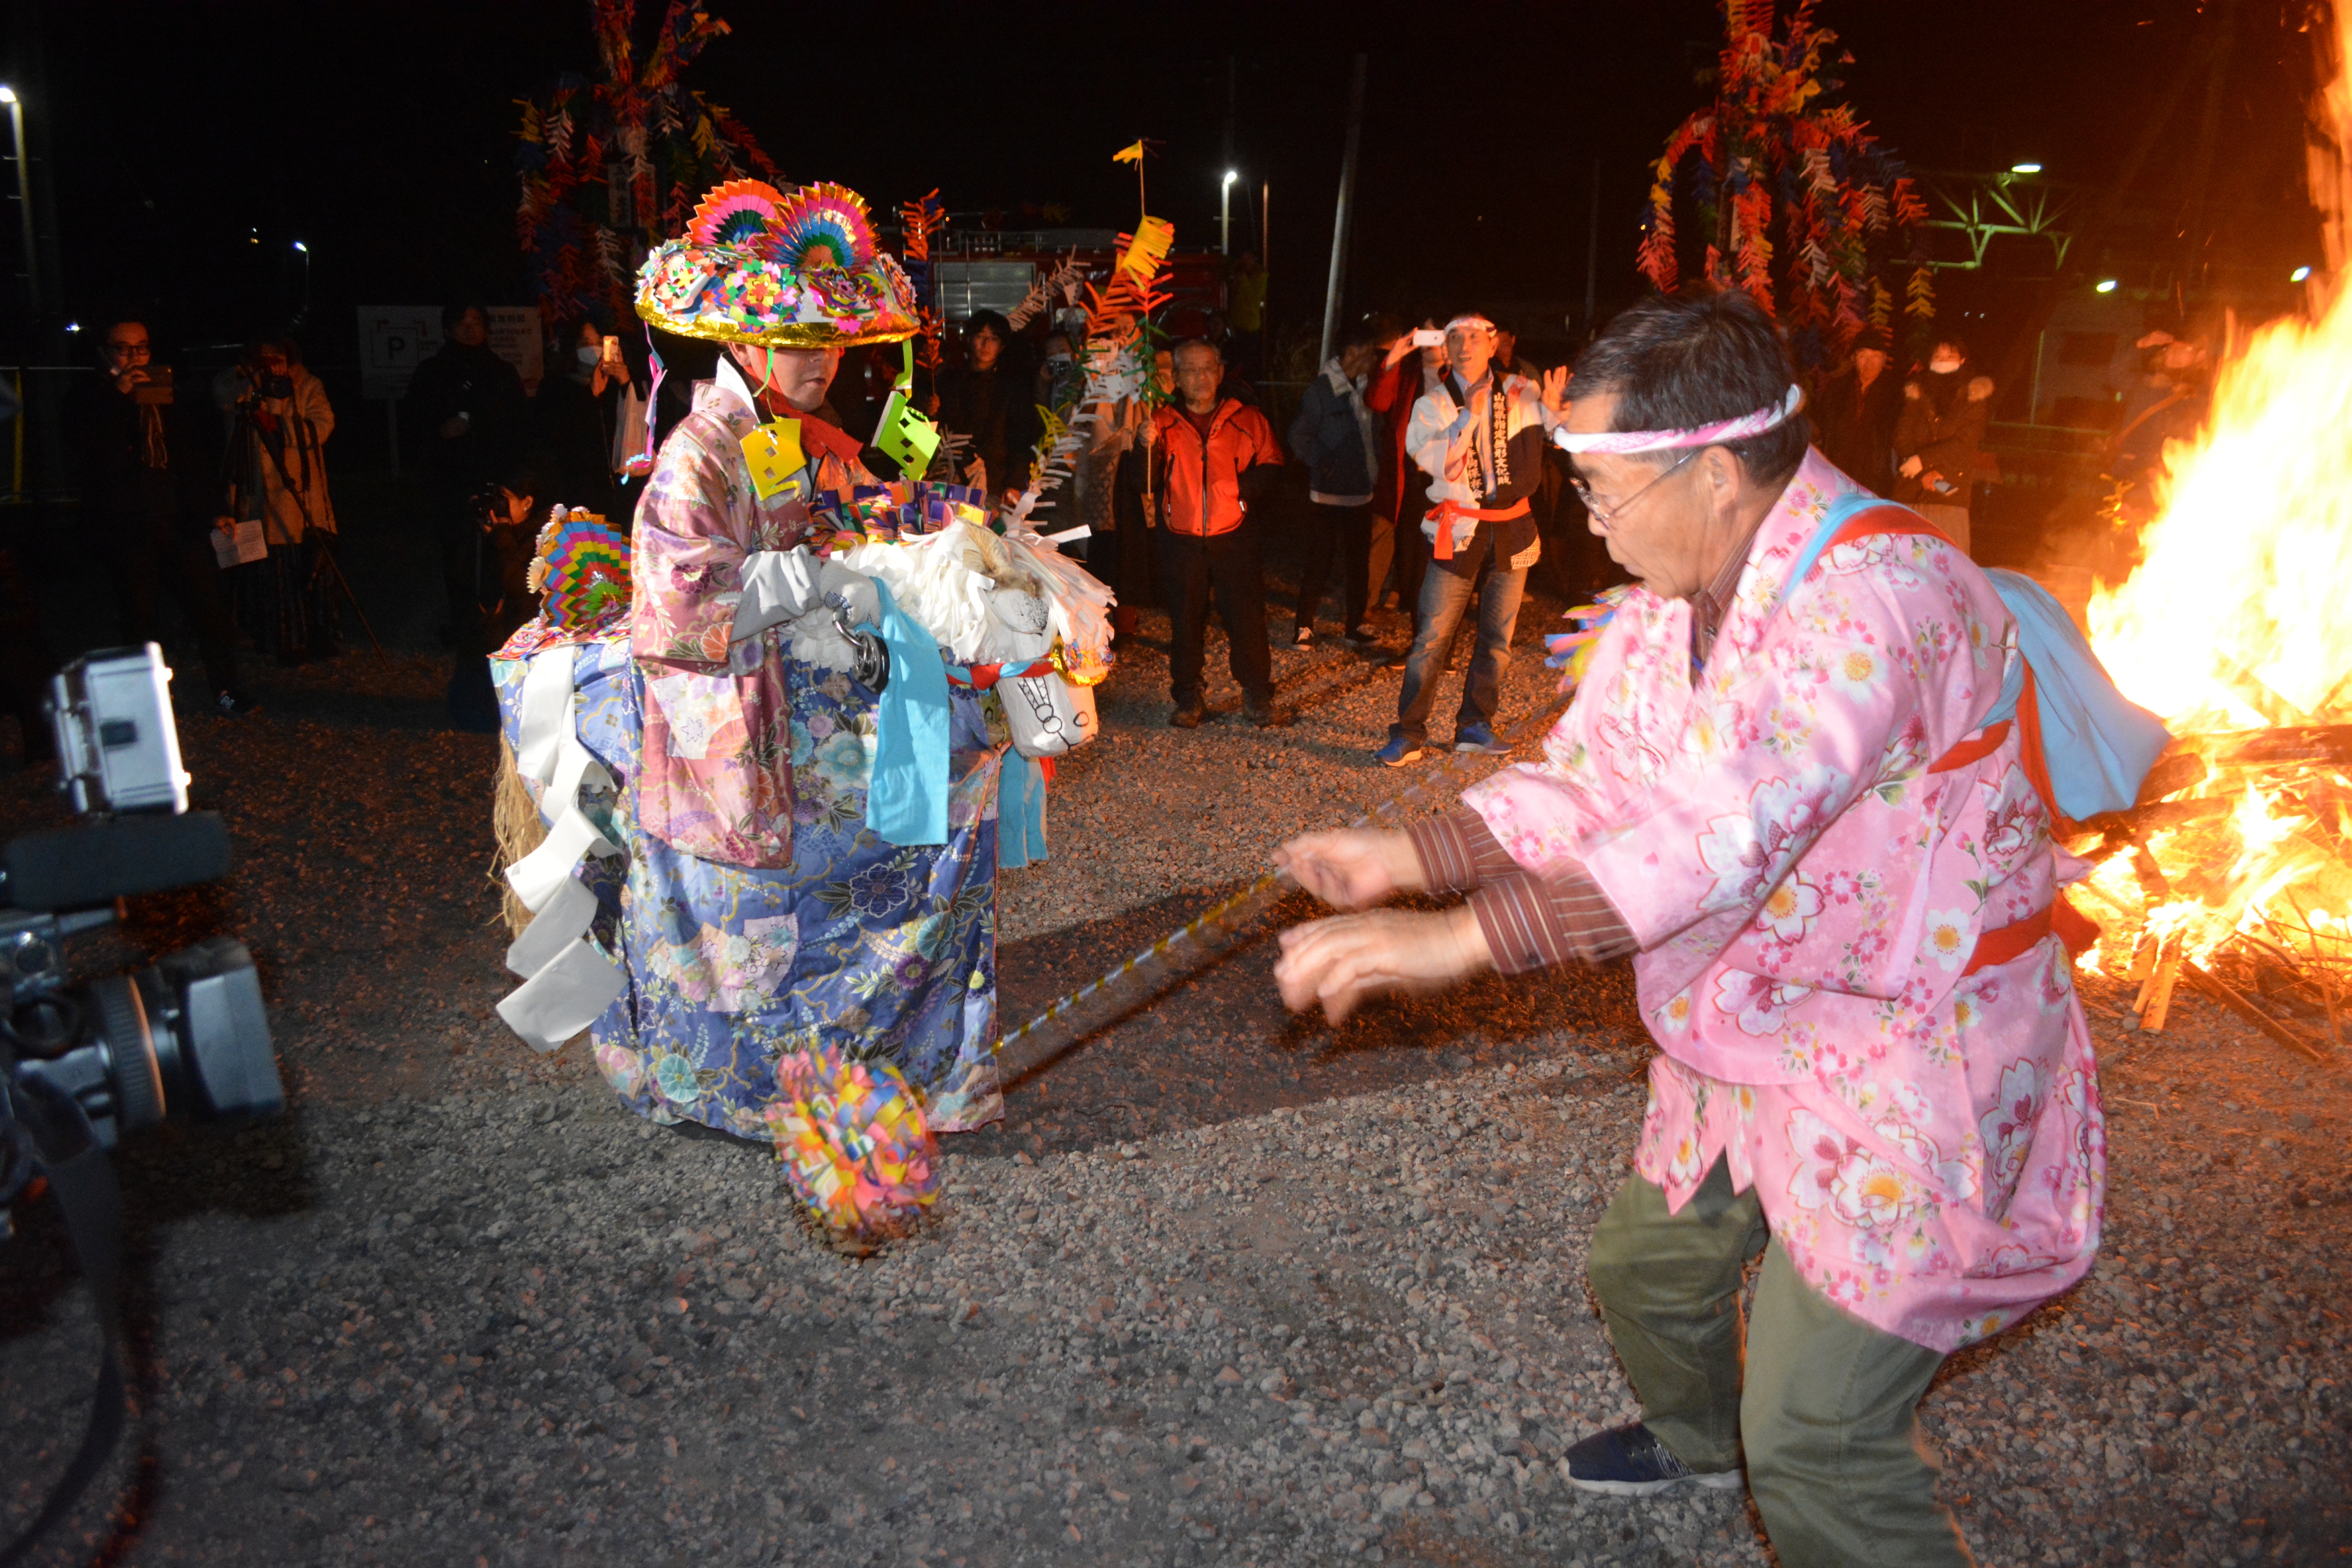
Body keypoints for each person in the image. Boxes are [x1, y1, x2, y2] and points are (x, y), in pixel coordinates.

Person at [1272, 287, 2100, 1568]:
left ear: (1713, 472)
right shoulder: (1678, 599)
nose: (1586, 520)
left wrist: (1456, 942)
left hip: (1901, 1054)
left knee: (1819, 1439)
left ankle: (1776, 1453)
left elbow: (1724, 827)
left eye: (1603, 488)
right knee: (1646, 1275)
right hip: (1753, 1019)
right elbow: (1600, 772)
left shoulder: (1877, 595)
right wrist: (1409, 856)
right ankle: (1702, 1439)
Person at [1376, 313, 1563, 764]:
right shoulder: (1433, 403)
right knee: (1431, 638)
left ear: (1494, 343)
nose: (1465, 345)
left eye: (1475, 337)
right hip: (1457, 527)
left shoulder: (1522, 390)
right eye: (1455, 337)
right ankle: (1409, 731)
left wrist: (1558, 413)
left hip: (1512, 525)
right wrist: (1469, 415)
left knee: (1497, 638)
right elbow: (1433, 461)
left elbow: (1560, 441)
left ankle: (1475, 725)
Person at [66, 318, 250, 715]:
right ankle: (149, 704)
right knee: (141, 620)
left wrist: (215, 510)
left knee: (210, 611)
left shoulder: (166, 391)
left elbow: (193, 458)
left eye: (143, 348)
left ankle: (226, 691)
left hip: (177, 522)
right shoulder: (88, 395)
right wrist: (117, 399)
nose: (135, 357)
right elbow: (88, 455)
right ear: (104, 351)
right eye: (124, 349)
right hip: (128, 529)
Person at [1153, 338, 1285, 728]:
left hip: (1235, 534)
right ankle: (1189, 695)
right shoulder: (1160, 422)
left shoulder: (1247, 419)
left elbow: (1274, 464)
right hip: (1182, 536)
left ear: (1221, 372)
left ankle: (1257, 693)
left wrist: (1243, 491)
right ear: (1175, 377)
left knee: (1246, 618)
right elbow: (1141, 482)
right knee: (1185, 620)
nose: (1200, 377)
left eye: (1208, 368)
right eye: (1190, 370)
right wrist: (1143, 446)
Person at [403, 302, 527, 652]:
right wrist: (440, 431)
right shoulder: (432, 373)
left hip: (496, 475)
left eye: (477, 323)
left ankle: (501, 624)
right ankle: (465, 625)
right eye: (462, 323)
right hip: (450, 480)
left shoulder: (501, 371)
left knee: (501, 551)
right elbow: (413, 423)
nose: (471, 330)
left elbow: (519, 424)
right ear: (448, 329)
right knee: (458, 556)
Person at [218, 334, 343, 664]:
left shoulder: (307, 384)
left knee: (308, 564)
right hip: (255, 492)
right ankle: (268, 635)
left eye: (279, 357)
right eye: (265, 358)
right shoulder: (240, 385)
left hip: (301, 495)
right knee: (262, 565)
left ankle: (314, 635)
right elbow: (225, 402)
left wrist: (277, 424)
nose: (274, 364)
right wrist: (256, 383)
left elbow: (323, 426)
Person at [1287, 316, 1396, 647]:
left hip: (1361, 493)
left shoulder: (1364, 386)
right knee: (1318, 563)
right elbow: (1298, 435)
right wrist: (1324, 462)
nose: (1374, 361)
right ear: (1352, 352)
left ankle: (1354, 626)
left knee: (1358, 565)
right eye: (1369, 354)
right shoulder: (1322, 390)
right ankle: (1303, 627)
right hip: (1327, 496)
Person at [1364, 316, 1448, 648]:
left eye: (1439, 334)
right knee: (1411, 566)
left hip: (1448, 480)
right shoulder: (1408, 375)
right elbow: (1377, 402)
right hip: (1410, 480)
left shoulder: (1458, 376)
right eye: (1426, 334)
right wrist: (1394, 358)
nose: (1433, 343)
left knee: (1443, 566)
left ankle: (1440, 646)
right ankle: (1422, 643)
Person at [1893, 337, 1993, 554]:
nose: (1943, 361)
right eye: (1938, 356)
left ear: (1963, 360)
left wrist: (1924, 461)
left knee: (1948, 562)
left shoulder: (1973, 398)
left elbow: (1964, 444)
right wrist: (1923, 472)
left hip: (1950, 493)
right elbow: (1902, 437)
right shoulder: (1916, 393)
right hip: (1912, 490)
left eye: (1950, 356)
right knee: (1906, 562)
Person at [931, 310, 1031, 503]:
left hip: (994, 479)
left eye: (993, 339)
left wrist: (1015, 483)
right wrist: (930, 410)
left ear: (1002, 346)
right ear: (969, 340)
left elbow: (1021, 438)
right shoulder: (949, 381)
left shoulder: (1012, 386)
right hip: (951, 476)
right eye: (980, 337)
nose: (986, 345)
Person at [531, 318, 627, 518]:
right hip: (572, 491)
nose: (594, 349)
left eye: (600, 343)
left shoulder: (617, 386)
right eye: (585, 344)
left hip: (617, 492)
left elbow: (638, 426)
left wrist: (626, 384)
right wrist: (590, 394)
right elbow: (555, 436)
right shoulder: (555, 387)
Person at [1811, 328, 1901, 494]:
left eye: (1876, 356)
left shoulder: (1896, 393)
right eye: (1863, 356)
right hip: (1839, 474)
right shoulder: (1837, 390)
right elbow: (1822, 428)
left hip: (1876, 476)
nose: (1870, 363)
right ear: (1854, 358)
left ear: (1884, 359)